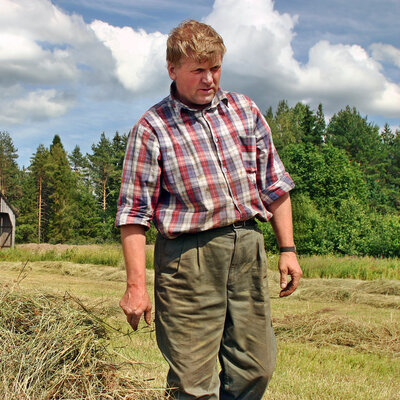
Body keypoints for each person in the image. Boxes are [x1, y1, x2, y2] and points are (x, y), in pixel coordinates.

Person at [115, 20, 302, 399]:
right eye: (198, 70)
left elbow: (275, 184)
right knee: (193, 383)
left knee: (257, 368)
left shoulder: (244, 110)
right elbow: (134, 215)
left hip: (248, 250)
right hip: (189, 260)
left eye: (215, 67)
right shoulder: (152, 128)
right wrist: (136, 287)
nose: (209, 79)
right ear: (173, 70)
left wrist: (288, 250)